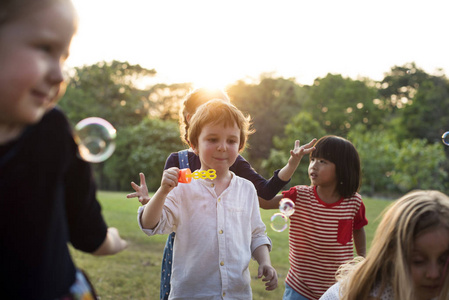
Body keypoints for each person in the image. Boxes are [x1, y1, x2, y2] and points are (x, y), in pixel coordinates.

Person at [127, 87, 315, 299]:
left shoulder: (246, 189)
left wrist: (265, 262)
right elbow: (152, 224)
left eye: (231, 141)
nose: (222, 147)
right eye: (212, 139)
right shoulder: (182, 187)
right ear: (193, 144)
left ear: (241, 145)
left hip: (237, 294)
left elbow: (256, 233)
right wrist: (161, 193)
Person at [0, 1, 127, 299]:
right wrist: (108, 241)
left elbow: (88, 232)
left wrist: (112, 240)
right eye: (45, 48)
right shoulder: (50, 129)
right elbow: (91, 238)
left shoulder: (52, 130)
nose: (59, 75)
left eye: (64, 57)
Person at [261, 135, 368, 300]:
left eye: (323, 161)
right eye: (312, 160)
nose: (314, 166)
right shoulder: (299, 196)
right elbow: (265, 202)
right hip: (299, 288)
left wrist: (362, 260)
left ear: (343, 168)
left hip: (337, 288)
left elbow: (358, 230)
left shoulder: (353, 202)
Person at [320, 190, 449, 300]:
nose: (434, 273)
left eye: (443, 261)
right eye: (418, 261)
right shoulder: (375, 294)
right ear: (391, 253)